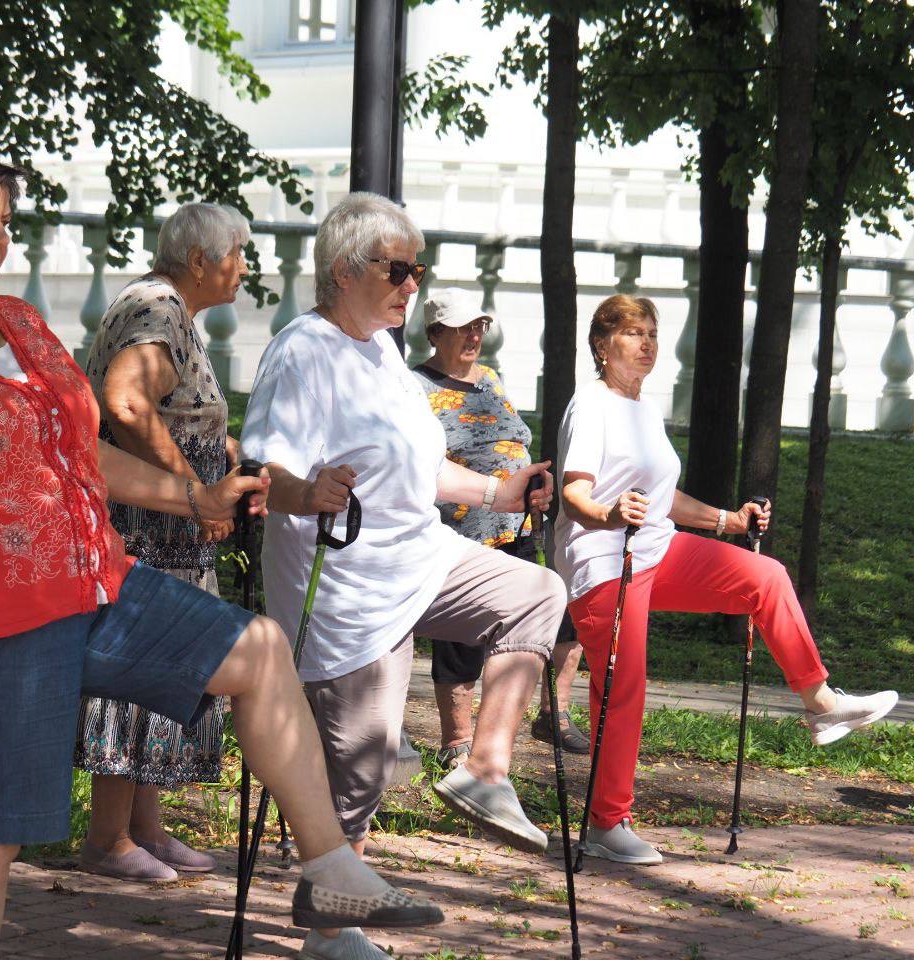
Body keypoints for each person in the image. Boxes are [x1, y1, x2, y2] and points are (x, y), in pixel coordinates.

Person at [0, 142, 443, 960]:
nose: (2, 237)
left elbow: (84, 452)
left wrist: (194, 495)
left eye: (7, 220)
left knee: (258, 649)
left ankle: (329, 870)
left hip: (98, 584)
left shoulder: (21, 324)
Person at [241, 192, 566, 960]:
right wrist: (306, 491)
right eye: (398, 269)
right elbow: (263, 470)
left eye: (418, 269)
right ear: (345, 270)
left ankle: (483, 768)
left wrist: (501, 492)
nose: (413, 284)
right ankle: (332, 929)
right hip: (347, 585)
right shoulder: (302, 351)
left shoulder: (382, 350)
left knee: (536, 592)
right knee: (362, 765)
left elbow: (421, 469)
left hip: (421, 556)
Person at [555, 293, 900, 866]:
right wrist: (609, 514)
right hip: (603, 562)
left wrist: (729, 521)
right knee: (624, 688)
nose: (647, 344)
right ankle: (606, 823)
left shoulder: (643, 408)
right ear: (601, 344)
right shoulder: (591, 405)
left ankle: (819, 703)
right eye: (633, 333)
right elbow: (574, 494)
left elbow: (663, 498)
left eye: (652, 334)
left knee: (765, 577)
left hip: (656, 549)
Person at [74, 202, 249, 881]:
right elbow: (125, 402)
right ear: (199, 261)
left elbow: (168, 407)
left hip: (168, 531)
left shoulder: (166, 308)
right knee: (141, 665)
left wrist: (215, 446)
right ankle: (108, 838)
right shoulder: (159, 307)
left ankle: (143, 828)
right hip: (150, 531)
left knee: (165, 670)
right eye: (237, 252)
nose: (245, 267)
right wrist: (194, 488)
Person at [412, 289, 590, 766]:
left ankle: (554, 713)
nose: (474, 336)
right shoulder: (415, 387)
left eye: (479, 326)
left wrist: (535, 486)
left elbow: (512, 441)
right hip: (462, 529)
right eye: (462, 328)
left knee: (557, 611)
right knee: (462, 637)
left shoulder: (490, 378)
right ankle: (456, 741)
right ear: (435, 333)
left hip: (519, 523)